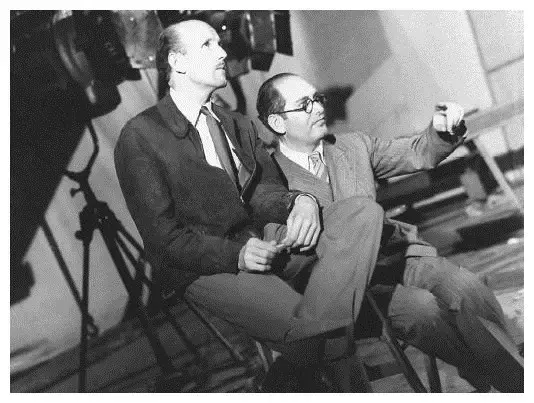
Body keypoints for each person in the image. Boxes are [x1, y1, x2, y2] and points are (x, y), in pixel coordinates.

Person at [115, 19, 392, 392]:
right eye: (208, 45)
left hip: (262, 244)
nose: (223, 51)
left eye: (219, 43)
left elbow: (260, 190)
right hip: (205, 265)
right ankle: (306, 354)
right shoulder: (141, 137)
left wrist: (300, 201)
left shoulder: (234, 123)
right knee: (325, 339)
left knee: (361, 213)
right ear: (177, 63)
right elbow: (163, 240)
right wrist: (238, 255)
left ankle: (314, 342)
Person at [256, 72, 523, 392]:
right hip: (354, 290)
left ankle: (514, 382)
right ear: (278, 122)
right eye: (305, 105)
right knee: (424, 310)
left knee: (466, 287)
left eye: (318, 99)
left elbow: (414, 151)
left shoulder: (352, 145)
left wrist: (440, 131)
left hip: (399, 257)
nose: (319, 108)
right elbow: (285, 259)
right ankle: (492, 371)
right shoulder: (270, 184)